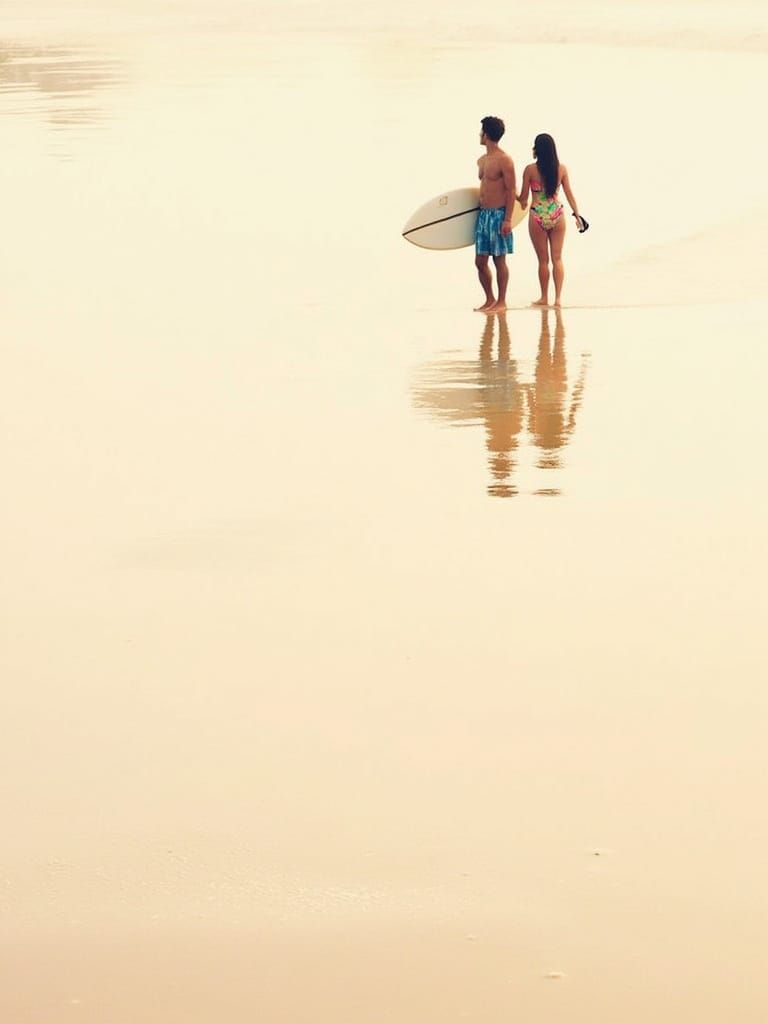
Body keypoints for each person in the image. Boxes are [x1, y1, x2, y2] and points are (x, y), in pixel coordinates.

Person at [517, 133, 583, 307]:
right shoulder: (561, 169)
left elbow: (523, 198)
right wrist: (577, 215)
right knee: (557, 259)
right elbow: (569, 194)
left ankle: (544, 297)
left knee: (543, 261)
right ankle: (558, 299)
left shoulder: (530, 170)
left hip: (537, 215)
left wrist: (512, 195)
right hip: (557, 214)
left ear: (537, 149)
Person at [473, 116, 517, 314]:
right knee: (480, 262)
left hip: (499, 215)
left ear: (487, 134)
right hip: (483, 216)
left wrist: (508, 219)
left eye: (481, 131)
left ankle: (502, 301)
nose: (479, 134)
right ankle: (489, 298)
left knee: (499, 261)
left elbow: (511, 190)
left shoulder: (504, 160)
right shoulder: (482, 161)